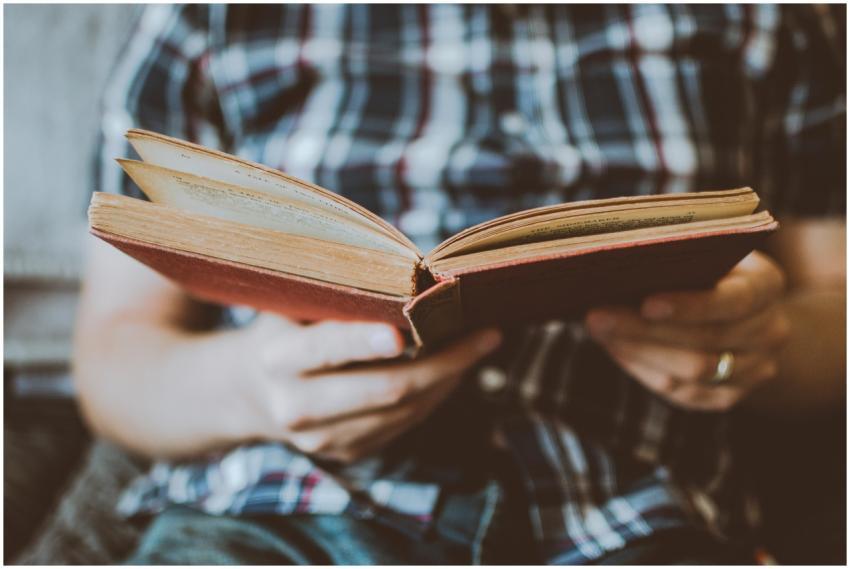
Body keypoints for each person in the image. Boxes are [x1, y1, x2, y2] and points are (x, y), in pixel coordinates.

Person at [73, 4, 845, 564]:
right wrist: (254, 389)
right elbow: (112, 353)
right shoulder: (208, 18)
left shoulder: (777, 19)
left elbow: (835, 306)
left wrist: (761, 342)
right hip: (279, 508)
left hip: (641, 517)